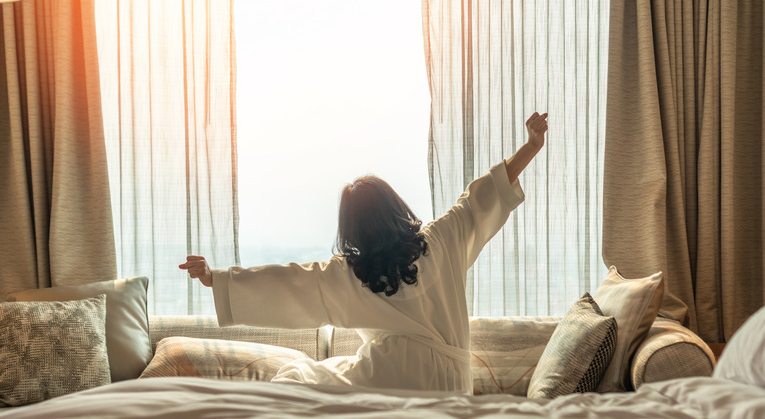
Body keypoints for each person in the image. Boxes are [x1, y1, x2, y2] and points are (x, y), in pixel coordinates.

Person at [180, 112, 549, 394]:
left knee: (296, 377)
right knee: (314, 374)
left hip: (389, 380)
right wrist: (530, 147)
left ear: (351, 229)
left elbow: (289, 282)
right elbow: (481, 198)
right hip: (452, 386)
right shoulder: (443, 240)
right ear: (396, 206)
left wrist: (218, 279)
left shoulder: (350, 273)